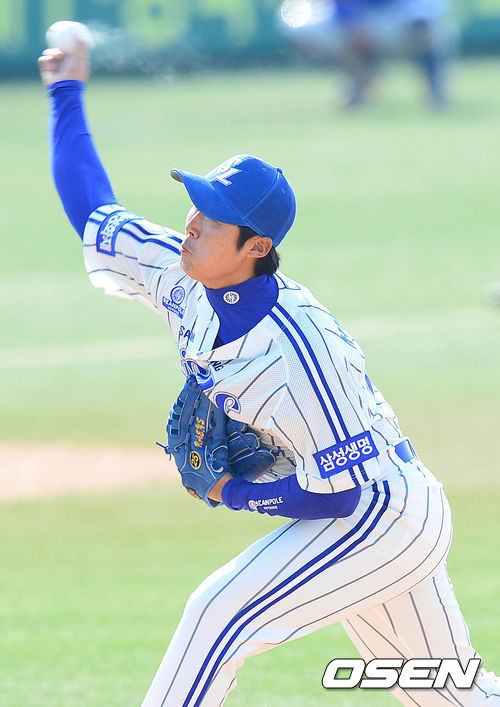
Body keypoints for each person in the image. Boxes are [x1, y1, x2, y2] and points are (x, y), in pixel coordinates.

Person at [38, 42, 499, 706]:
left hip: (382, 513)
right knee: (451, 696)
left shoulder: (299, 349)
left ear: (256, 247)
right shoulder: (182, 271)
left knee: (217, 615)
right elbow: (93, 212)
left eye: (212, 219)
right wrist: (66, 93)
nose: (191, 224)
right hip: (366, 508)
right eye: (195, 205)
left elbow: (337, 496)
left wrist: (232, 492)